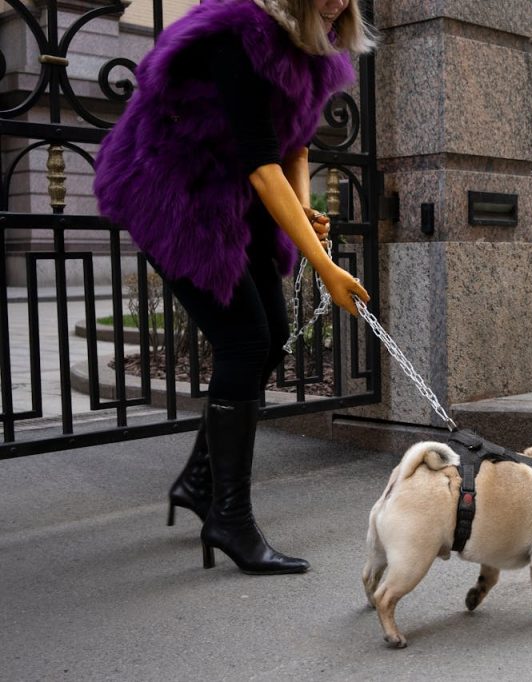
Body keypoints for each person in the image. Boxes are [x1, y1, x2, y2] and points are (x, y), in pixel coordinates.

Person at [93, 0, 372, 575]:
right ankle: (229, 517)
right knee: (244, 340)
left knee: (268, 337)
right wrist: (325, 267)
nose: (337, 1)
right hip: (173, 190)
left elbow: (294, 148)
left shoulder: (314, 50)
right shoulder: (238, 36)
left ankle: (200, 482)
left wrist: (302, 209)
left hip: (235, 196)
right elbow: (261, 163)